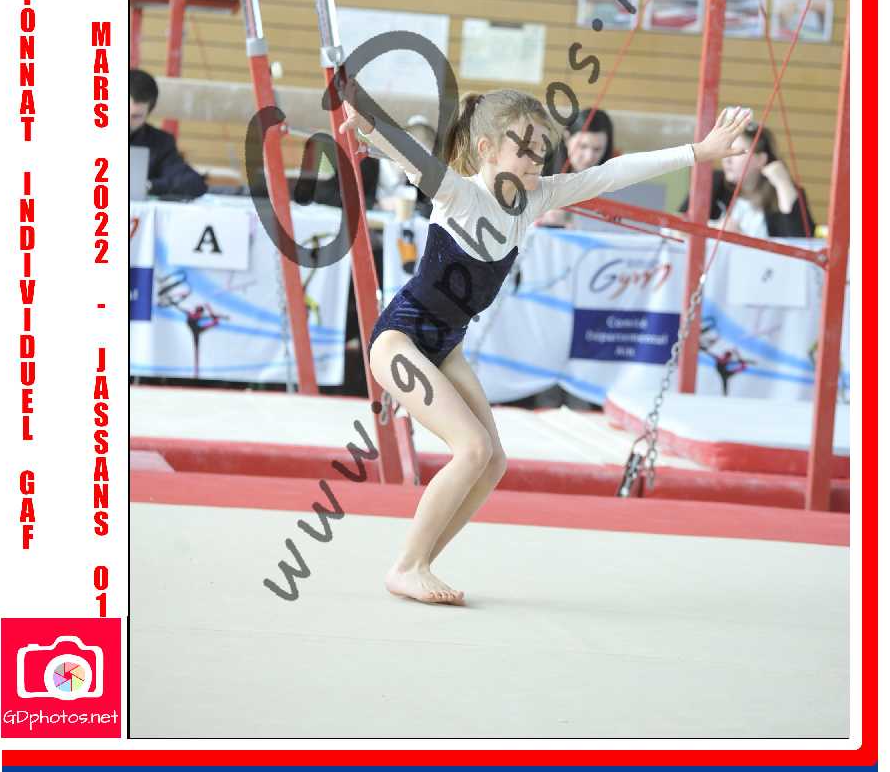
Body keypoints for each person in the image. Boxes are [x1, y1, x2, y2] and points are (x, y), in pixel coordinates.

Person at [340, 81, 752, 605]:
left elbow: (612, 173)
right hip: (400, 341)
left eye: (542, 148)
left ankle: (418, 562)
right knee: (472, 448)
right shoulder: (460, 194)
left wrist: (698, 151)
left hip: (445, 348)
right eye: (524, 147)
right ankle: (408, 565)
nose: (536, 159)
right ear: (487, 149)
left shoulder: (536, 198)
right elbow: (414, 157)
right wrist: (372, 124)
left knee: (492, 462)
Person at [679, 118, 814, 238]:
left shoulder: (785, 192)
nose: (727, 160)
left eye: (737, 152)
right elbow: (678, 227)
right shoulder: (712, 182)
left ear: (761, 159)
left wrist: (783, 184)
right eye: (726, 151)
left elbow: (802, 241)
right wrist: (714, 229)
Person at [129, 69, 208, 199]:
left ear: (148, 113)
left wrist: (148, 186)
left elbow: (192, 182)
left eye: (135, 116)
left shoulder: (160, 143)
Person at [537, 108, 617, 228]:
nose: (589, 157)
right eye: (583, 146)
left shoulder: (612, 178)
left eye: (597, 149)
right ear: (567, 138)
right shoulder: (538, 170)